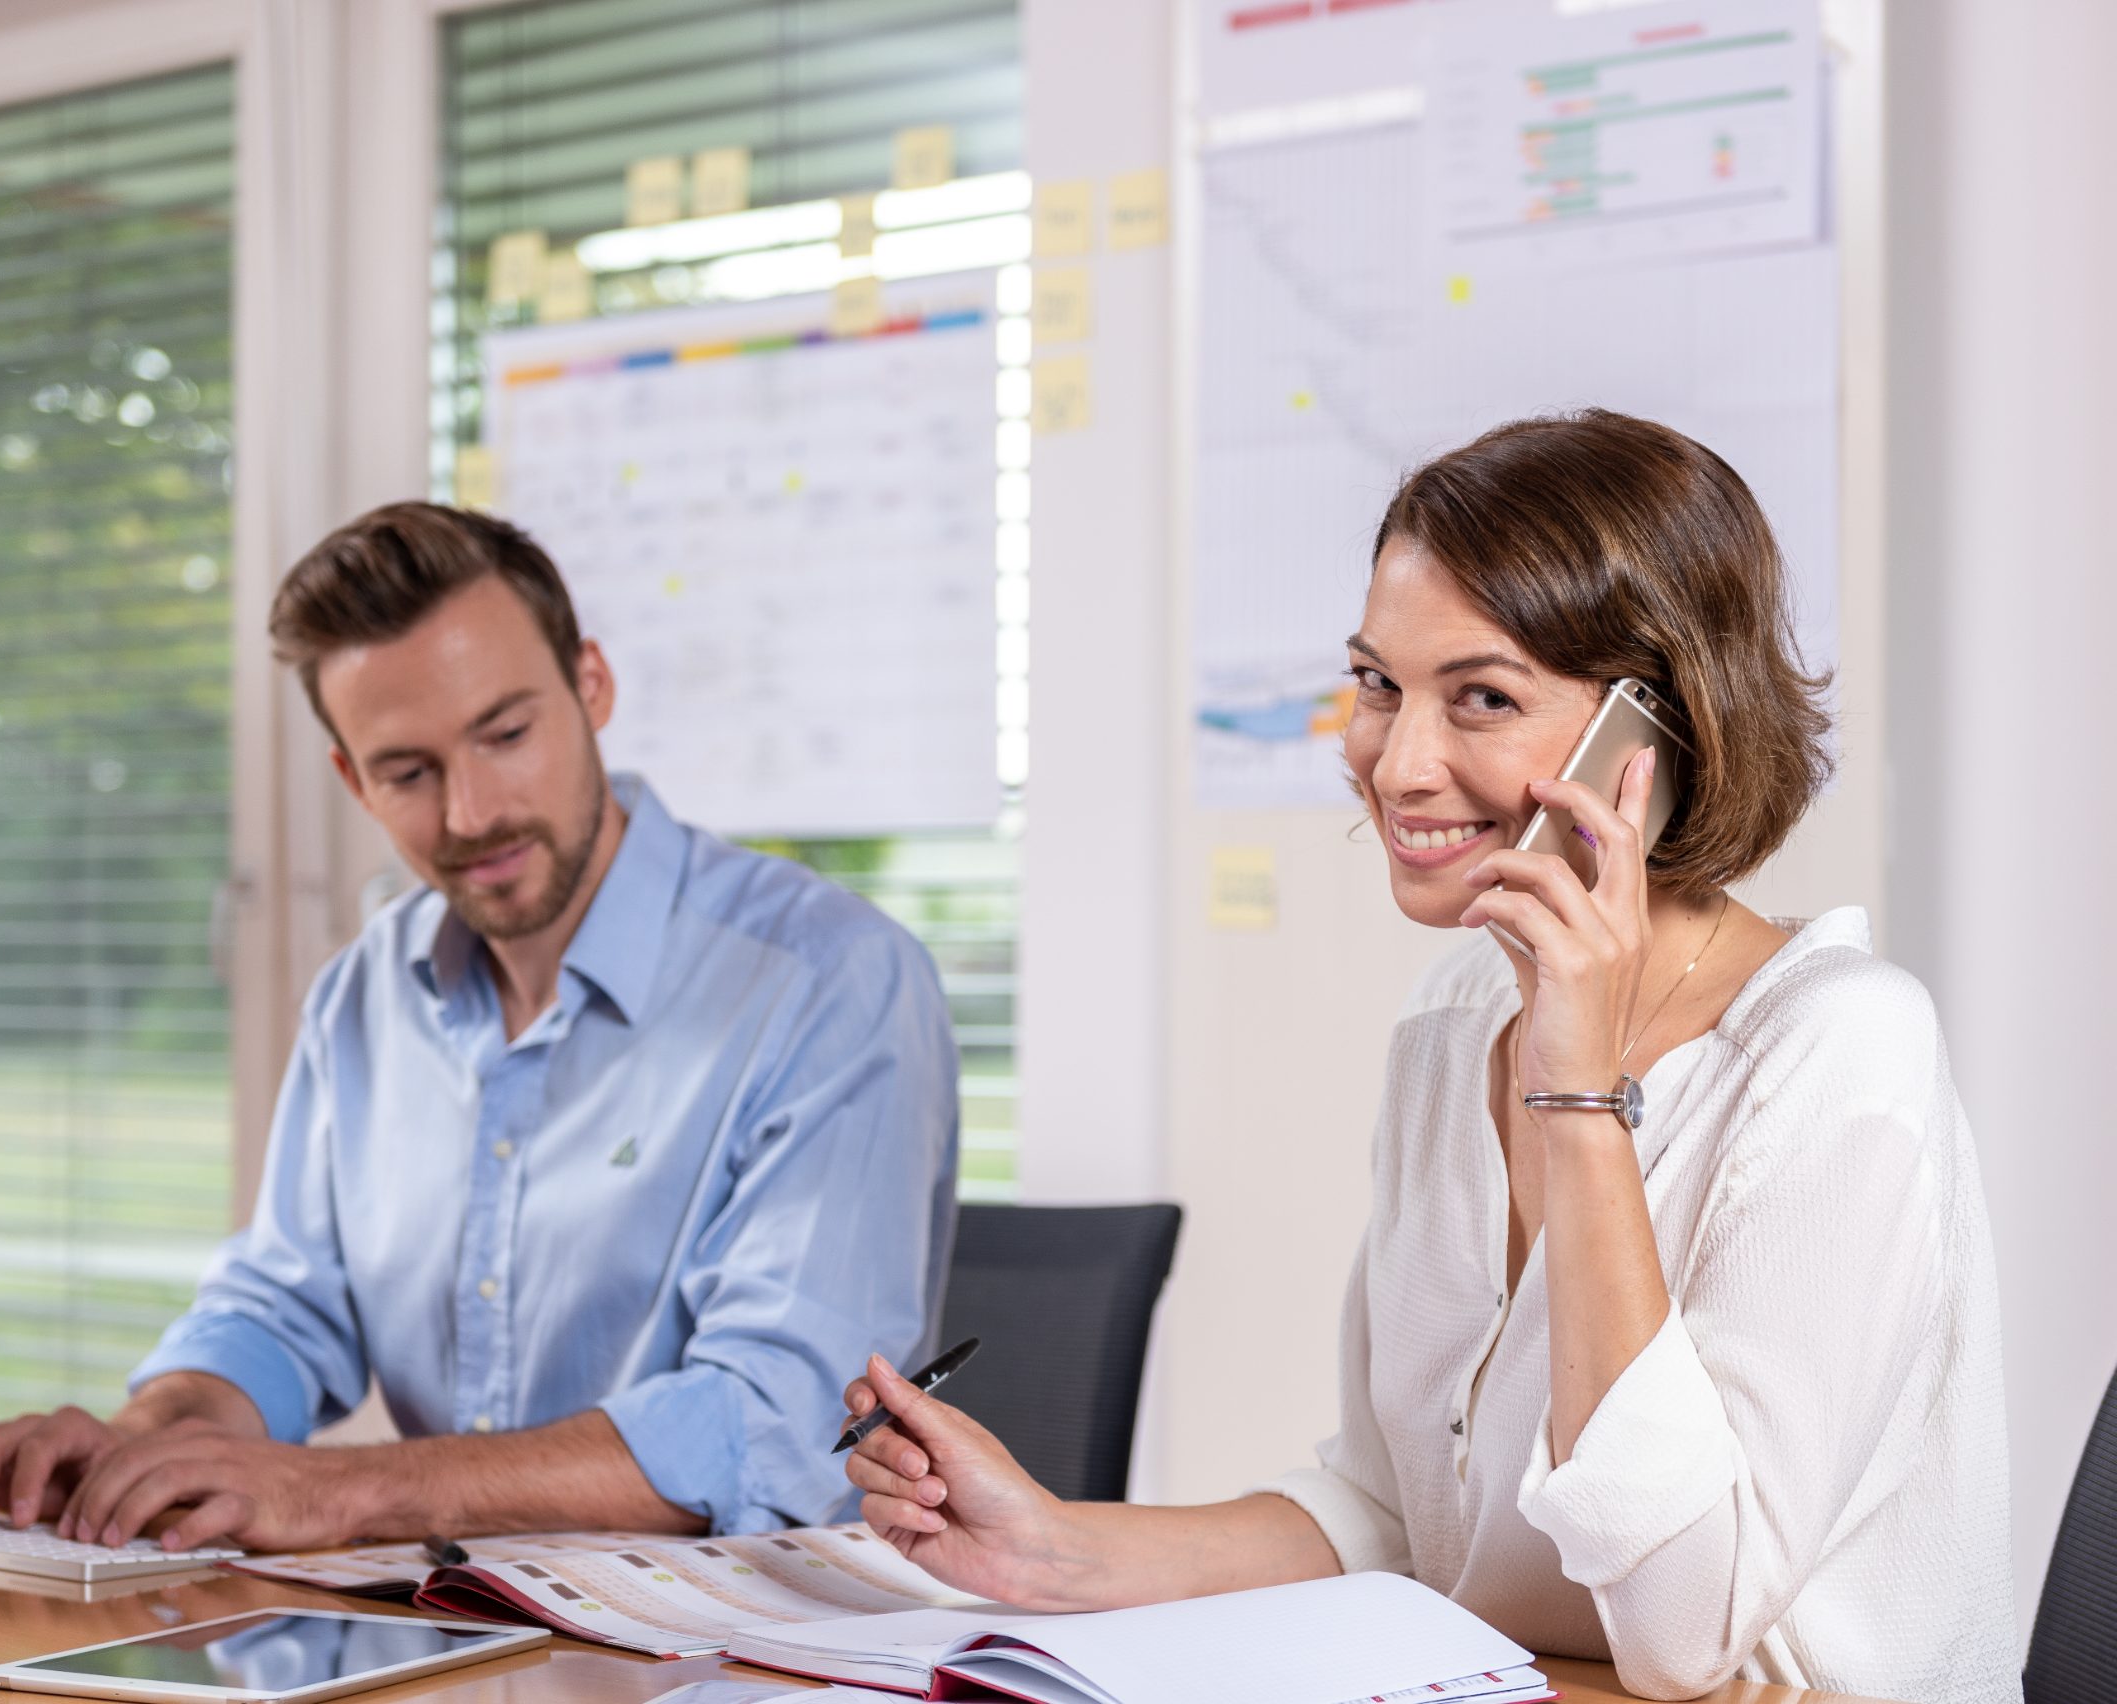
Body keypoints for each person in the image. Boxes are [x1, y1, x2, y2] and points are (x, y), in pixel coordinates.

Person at [837, 413, 2018, 1704]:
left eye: (1484, 698)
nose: (1396, 763)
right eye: (1381, 684)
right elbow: (1399, 1517)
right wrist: (1055, 1550)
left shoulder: (1840, 1049)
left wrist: (1578, 1099)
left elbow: (1686, 1632)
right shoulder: (1457, 1021)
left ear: (1655, 735)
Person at [0, 502, 960, 1552]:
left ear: (590, 685)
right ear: (351, 780)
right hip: (451, 1637)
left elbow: (774, 1421)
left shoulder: (829, 981)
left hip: (735, 1659)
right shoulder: (362, 996)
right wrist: (142, 1445)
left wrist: (339, 1492)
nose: (469, 814)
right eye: (407, 773)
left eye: (506, 735)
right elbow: (286, 1311)